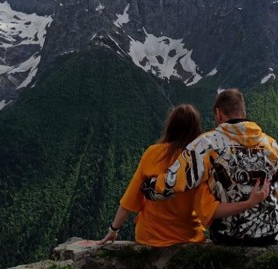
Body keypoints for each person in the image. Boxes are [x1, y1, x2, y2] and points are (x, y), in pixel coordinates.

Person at [99, 104, 269, 246]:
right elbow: (208, 209)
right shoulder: (199, 161)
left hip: (150, 236)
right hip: (188, 237)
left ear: (170, 126)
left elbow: (130, 198)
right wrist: (249, 203)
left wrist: (114, 230)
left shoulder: (152, 153)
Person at [142, 89, 278, 246]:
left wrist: (149, 188)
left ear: (218, 113)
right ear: (244, 111)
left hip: (229, 236)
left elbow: (173, 184)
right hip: (271, 235)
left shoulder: (205, 145)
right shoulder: (271, 145)